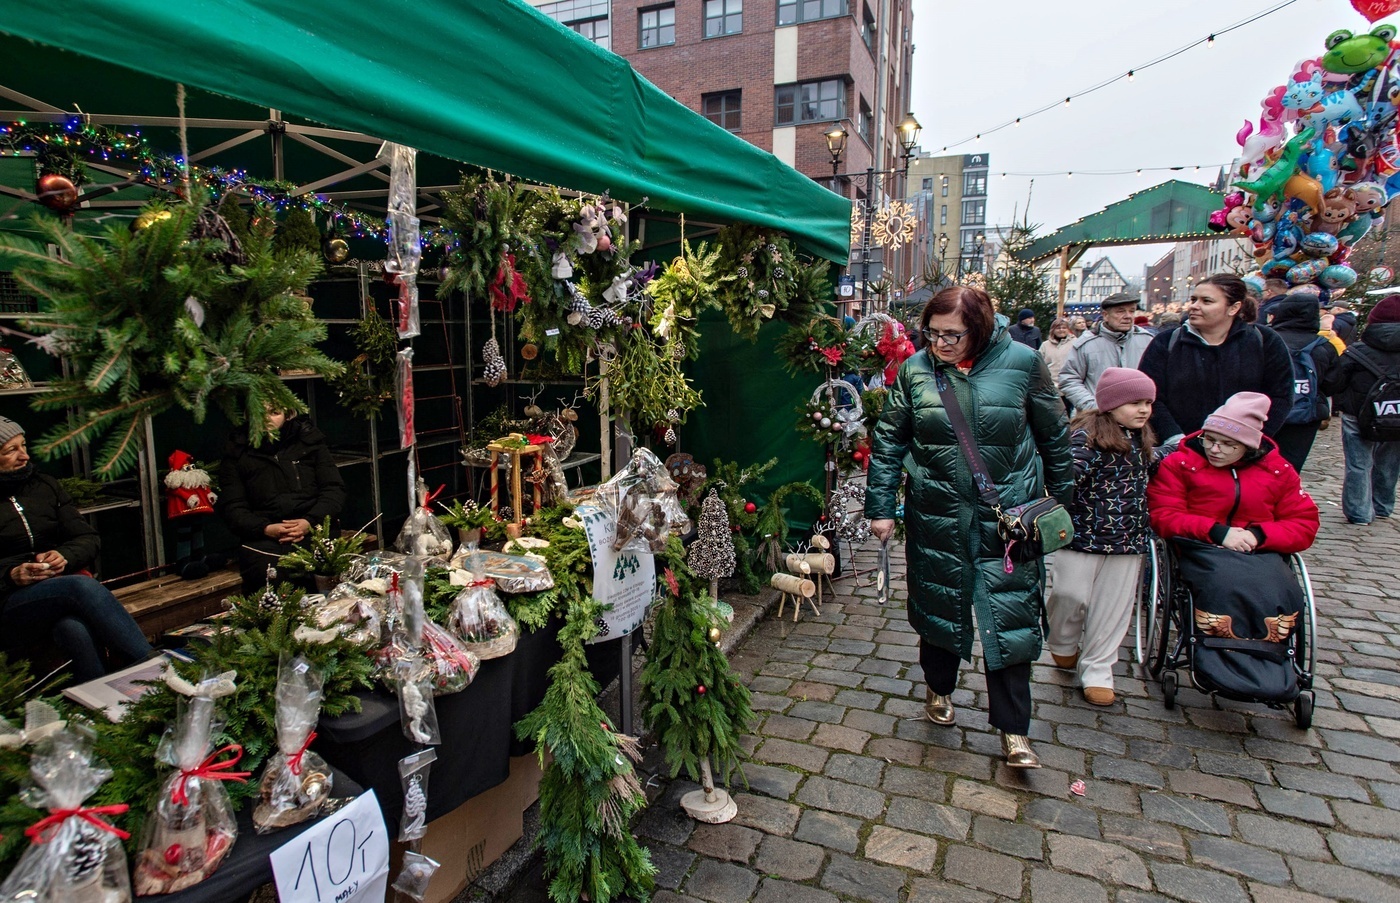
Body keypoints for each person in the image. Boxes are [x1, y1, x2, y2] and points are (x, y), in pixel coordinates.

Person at [866, 285, 1072, 769]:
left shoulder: (1022, 363)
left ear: (978, 329)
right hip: (937, 513)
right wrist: (880, 506)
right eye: (933, 334)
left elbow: (1054, 435)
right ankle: (939, 687)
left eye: (952, 335)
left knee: (1011, 619)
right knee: (940, 607)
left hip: (1010, 519)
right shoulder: (917, 370)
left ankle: (1014, 730)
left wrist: (1061, 502)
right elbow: (890, 439)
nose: (941, 344)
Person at [0, 418, 153, 681]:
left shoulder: (45, 486)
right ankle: (155, 671)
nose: (24, 455)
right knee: (79, 587)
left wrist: (65, 556)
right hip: (8, 604)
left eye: (23, 445)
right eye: (10, 450)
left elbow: (86, 538)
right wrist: (11, 574)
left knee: (74, 629)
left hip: (52, 593)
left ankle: (100, 708)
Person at [1046, 368, 1158, 706]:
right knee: (1068, 595)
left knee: (1113, 608)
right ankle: (1063, 643)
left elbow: (1154, 465)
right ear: (1110, 403)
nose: (1144, 410)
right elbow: (1067, 476)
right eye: (1135, 403)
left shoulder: (1143, 439)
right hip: (1082, 537)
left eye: (1148, 403)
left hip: (1127, 540)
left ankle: (1098, 669)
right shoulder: (1087, 436)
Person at [1137, 273, 1294, 447]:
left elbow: (1281, 396)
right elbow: (1150, 396)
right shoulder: (1167, 342)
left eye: (1206, 301)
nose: (1194, 306)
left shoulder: (1264, 341)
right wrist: (1175, 440)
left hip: (1242, 451)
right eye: (1194, 299)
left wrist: (1253, 441)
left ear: (1233, 308)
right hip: (1179, 452)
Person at [217, 408, 347, 592]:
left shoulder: (309, 441)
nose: (266, 419)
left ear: (288, 414)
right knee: (269, 576)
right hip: (263, 536)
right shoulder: (237, 452)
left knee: (325, 569)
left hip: (315, 529)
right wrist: (265, 528)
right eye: (259, 412)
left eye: (274, 412)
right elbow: (233, 507)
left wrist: (309, 522)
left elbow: (333, 489)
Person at [1321, 294, 1400, 525]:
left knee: (1358, 464)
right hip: (1397, 413)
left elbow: (1335, 383)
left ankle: (1359, 512)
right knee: (1390, 462)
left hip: (1358, 412)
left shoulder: (1357, 351)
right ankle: (1383, 506)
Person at [1266, 293, 1339, 472]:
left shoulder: (1265, 338)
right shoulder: (1324, 346)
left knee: (1259, 462)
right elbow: (1333, 384)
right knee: (1291, 467)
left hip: (1266, 411)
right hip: (1306, 415)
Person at [1058, 292, 1155, 414]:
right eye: (1120, 312)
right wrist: (1093, 407)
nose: (1128, 316)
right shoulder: (1086, 343)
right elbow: (1069, 379)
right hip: (1097, 420)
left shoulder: (1147, 340)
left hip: (1139, 419)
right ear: (1105, 315)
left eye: (1131, 311)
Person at [1039, 318, 1075, 387]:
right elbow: (1039, 364)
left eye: (1064, 328)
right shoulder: (1045, 345)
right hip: (1050, 385)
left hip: (1071, 384)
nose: (1061, 330)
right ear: (1053, 330)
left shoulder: (1075, 343)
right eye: (1058, 328)